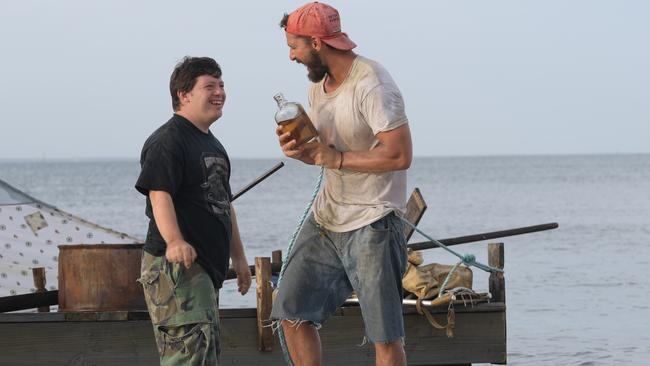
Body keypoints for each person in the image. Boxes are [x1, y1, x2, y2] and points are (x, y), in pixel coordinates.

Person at [270, 2, 413, 366]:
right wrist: (305, 153)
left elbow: (399, 156)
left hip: (373, 221)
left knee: (385, 337)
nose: (290, 56)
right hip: (327, 217)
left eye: (294, 46)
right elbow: (326, 152)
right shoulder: (318, 88)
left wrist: (335, 159)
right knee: (289, 311)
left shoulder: (373, 84)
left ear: (317, 43)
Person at [135, 56, 251, 366]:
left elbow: (224, 204)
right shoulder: (167, 141)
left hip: (205, 270)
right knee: (187, 357)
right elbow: (159, 194)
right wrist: (174, 240)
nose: (220, 92)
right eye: (209, 86)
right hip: (176, 269)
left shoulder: (213, 145)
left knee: (205, 354)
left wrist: (238, 258)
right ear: (184, 94)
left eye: (222, 85)